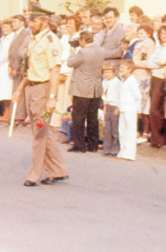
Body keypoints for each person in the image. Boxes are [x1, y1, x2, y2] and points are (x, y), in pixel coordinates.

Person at [16, 14, 68, 186]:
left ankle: (34, 174)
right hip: (32, 88)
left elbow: (55, 71)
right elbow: (30, 68)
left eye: (35, 20)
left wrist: (52, 98)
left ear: (45, 22)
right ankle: (58, 170)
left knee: (39, 131)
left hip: (44, 90)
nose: (31, 24)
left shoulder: (51, 40)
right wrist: (20, 89)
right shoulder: (34, 39)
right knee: (42, 130)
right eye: (30, 21)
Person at [65, 30, 107, 153]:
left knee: (78, 117)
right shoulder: (101, 51)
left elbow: (70, 63)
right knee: (92, 117)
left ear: (83, 40)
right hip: (95, 88)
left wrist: (72, 52)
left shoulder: (82, 52)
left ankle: (79, 145)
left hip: (82, 89)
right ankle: (93, 145)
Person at [147, 24, 166, 147]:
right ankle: (156, 137)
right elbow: (150, 62)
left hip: (162, 78)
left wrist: (156, 63)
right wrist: (155, 63)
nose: (163, 35)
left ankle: (160, 137)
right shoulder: (160, 46)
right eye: (161, 33)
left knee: (156, 108)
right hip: (155, 76)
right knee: (154, 108)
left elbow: (162, 61)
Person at [118, 60, 142, 161]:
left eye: (123, 67)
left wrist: (137, 110)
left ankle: (129, 154)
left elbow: (138, 96)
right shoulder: (123, 80)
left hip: (130, 109)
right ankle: (122, 151)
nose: (120, 69)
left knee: (130, 131)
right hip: (123, 109)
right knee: (122, 131)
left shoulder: (132, 81)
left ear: (130, 69)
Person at [100, 62, 121, 157]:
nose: (107, 74)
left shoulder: (117, 82)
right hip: (107, 106)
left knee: (114, 129)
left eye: (109, 72)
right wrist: (104, 106)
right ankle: (107, 148)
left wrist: (118, 107)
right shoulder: (104, 82)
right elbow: (104, 95)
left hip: (114, 106)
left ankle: (115, 149)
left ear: (113, 72)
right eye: (105, 72)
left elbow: (120, 96)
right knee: (107, 129)